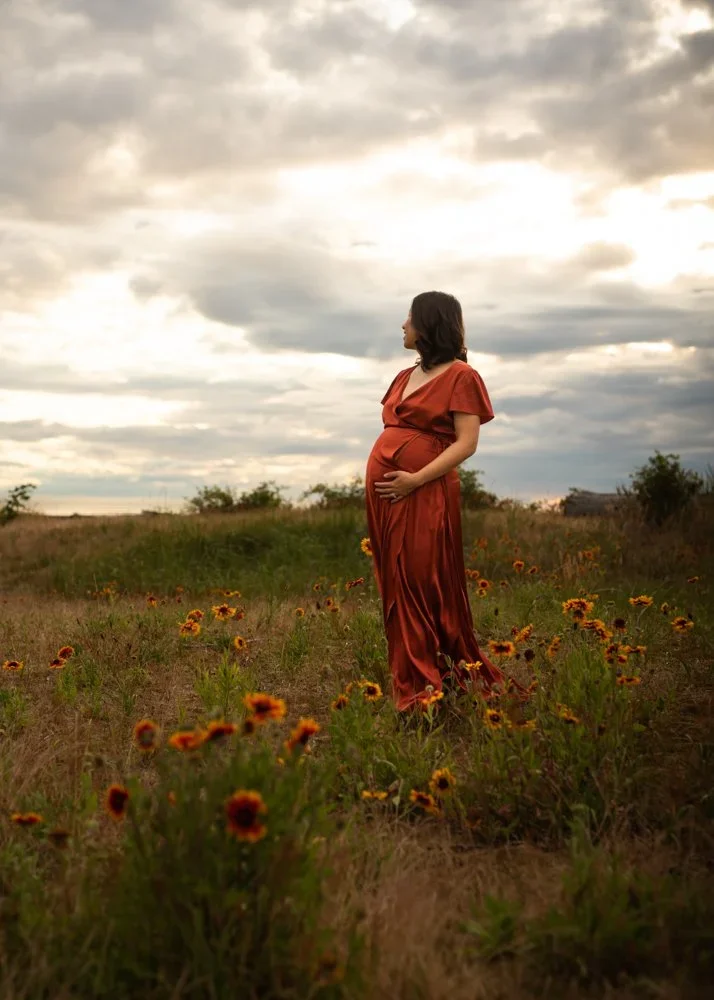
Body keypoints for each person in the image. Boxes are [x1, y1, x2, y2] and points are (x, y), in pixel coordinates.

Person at [365, 290, 510, 712]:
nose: (403, 325)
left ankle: (423, 689)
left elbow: (466, 444)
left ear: (428, 324)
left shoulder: (463, 375)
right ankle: (417, 676)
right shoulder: (401, 376)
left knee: (419, 582)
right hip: (389, 494)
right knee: (394, 582)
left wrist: (415, 480)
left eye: (409, 317)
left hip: (424, 489)